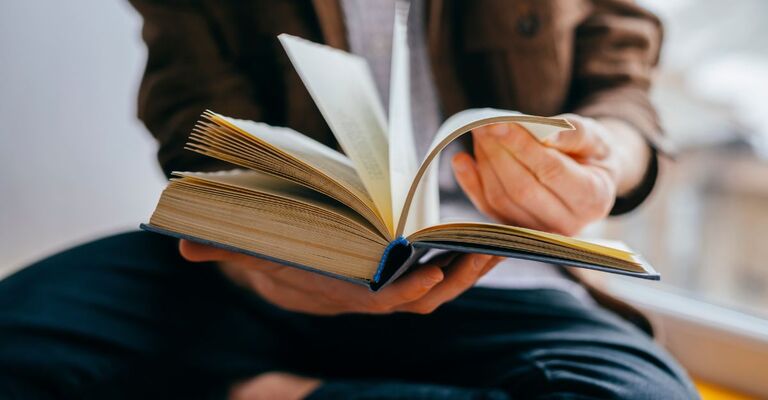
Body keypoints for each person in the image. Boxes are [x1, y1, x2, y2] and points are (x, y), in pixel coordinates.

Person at [0, 1, 698, 399]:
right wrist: (256, 255)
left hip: (502, 278)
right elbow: (192, 114)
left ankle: (270, 392)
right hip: (253, 269)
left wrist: (606, 154)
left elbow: (622, 80)